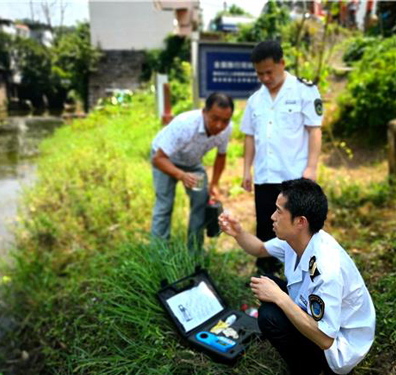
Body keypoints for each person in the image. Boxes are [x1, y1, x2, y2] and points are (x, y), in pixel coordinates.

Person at [218, 178, 375, 375]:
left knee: (270, 315)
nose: (273, 217)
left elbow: (326, 339)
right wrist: (238, 233)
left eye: (279, 211)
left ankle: (308, 369)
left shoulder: (326, 269)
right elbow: (259, 249)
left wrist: (280, 297)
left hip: (339, 347)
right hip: (318, 317)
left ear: (300, 221)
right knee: (270, 283)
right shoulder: (297, 239)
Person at [241, 40, 323, 273]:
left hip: (294, 177)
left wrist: (312, 167)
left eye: (269, 72)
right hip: (265, 176)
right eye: (260, 74)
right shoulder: (255, 100)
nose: (265, 78)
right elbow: (249, 136)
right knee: (267, 226)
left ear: (282, 64)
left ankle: (302, 274)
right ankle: (266, 273)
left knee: (297, 229)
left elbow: (314, 130)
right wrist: (247, 170)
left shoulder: (304, 91)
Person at [151, 92, 234, 250]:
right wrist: (181, 175)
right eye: (214, 118)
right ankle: (158, 253)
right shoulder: (185, 124)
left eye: (225, 120)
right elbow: (158, 159)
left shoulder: (227, 129)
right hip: (165, 159)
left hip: (192, 162)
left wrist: (214, 184)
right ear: (204, 112)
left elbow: (221, 156)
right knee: (164, 204)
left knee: (201, 202)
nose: (219, 125)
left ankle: (194, 252)